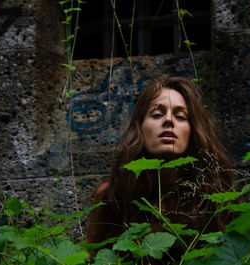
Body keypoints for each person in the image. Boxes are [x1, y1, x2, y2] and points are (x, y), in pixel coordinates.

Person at [86, 74, 235, 261]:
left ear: (193, 130)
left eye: (181, 116)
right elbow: (97, 259)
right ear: (140, 127)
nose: (169, 120)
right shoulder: (113, 196)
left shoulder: (214, 196)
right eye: (157, 114)